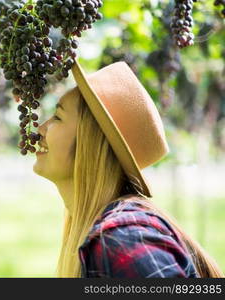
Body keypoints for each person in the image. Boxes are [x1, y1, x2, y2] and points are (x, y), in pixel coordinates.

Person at [33, 59, 224, 278]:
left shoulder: (121, 241)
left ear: (91, 142)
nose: (40, 129)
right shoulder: (112, 233)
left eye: (58, 117)